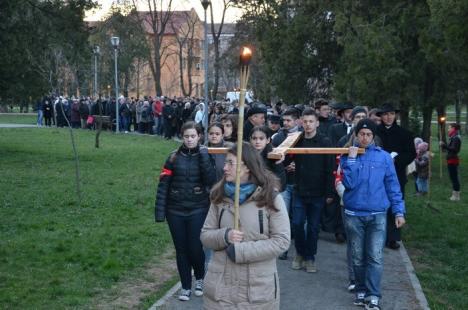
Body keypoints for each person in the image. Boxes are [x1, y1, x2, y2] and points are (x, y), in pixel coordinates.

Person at [200, 142, 290, 309]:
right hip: (221, 292)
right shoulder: (219, 196)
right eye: (225, 162)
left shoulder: (271, 198)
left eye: (230, 163)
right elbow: (205, 235)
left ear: (247, 167)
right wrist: (225, 236)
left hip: (256, 292)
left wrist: (242, 251)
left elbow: (282, 241)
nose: (225, 168)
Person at [341, 119, 406, 310]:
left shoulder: (384, 157)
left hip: (377, 214)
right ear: (356, 135)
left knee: (375, 256)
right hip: (354, 214)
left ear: (373, 136)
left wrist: (398, 211)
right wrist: (351, 159)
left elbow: (393, 186)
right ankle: (361, 290)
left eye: (369, 135)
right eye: (361, 134)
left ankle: (373, 295)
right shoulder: (347, 156)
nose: (365, 138)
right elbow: (349, 184)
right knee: (358, 256)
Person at [155, 121, 216, 301]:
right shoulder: (173, 157)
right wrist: (160, 212)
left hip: (198, 208)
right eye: (186, 136)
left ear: (199, 137)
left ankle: (199, 277)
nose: (189, 140)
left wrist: (204, 156)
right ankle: (185, 286)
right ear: (182, 137)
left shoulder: (205, 155)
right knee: (181, 250)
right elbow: (163, 186)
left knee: (195, 247)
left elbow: (211, 181)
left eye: (193, 136)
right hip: (175, 210)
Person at [288, 108, 334, 273]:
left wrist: (329, 192)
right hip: (299, 190)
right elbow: (285, 158)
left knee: (314, 227)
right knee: (297, 224)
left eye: (311, 121)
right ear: (301, 122)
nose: (308, 125)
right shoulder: (296, 139)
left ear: (317, 123)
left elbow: (330, 168)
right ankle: (300, 253)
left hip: (318, 192)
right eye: (305, 121)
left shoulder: (325, 142)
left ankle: (310, 257)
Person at [375, 103, 415, 250]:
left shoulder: (404, 133)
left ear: (395, 115)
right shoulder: (375, 132)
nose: (389, 117)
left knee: (395, 204)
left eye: (391, 114)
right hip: (377, 175)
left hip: (397, 174)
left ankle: (393, 237)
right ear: (380, 116)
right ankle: (378, 235)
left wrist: (396, 160)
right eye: (385, 114)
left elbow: (411, 153)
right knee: (379, 205)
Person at [249, 126, 286, 192]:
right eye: (254, 138)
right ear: (250, 139)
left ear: (268, 140)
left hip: (269, 193)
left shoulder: (274, 156)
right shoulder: (246, 154)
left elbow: (280, 179)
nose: (257, 141)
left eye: (261, 138)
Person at [440, 123, 462, 201]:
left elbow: (454, 149)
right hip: (451, 159)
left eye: (449, 128)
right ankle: (455, 194)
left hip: (453, 160)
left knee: (454, 178)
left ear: (453, 128)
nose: (448, 129)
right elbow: (452, 148)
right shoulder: (453, 137)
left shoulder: (456, 138)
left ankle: (456, 196)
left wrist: (444, 145)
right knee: (453, 177)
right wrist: (445, 146)